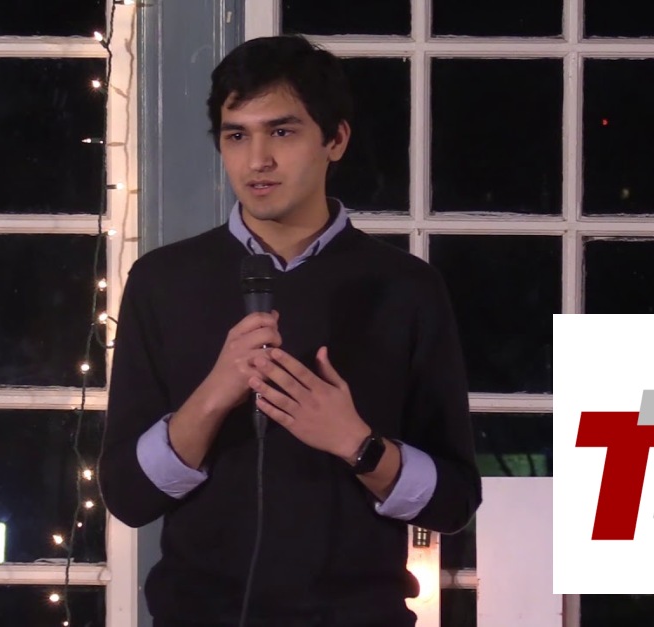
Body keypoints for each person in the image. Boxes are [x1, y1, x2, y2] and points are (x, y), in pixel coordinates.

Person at [99, 34, 481, 627]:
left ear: (336, 140)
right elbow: (128, 496)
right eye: (237, 136)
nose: (258, 160)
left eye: (282, 132)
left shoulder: (407, 288)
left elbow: (453, 502)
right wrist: (213, 395)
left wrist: (359, 444)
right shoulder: (162, 280)